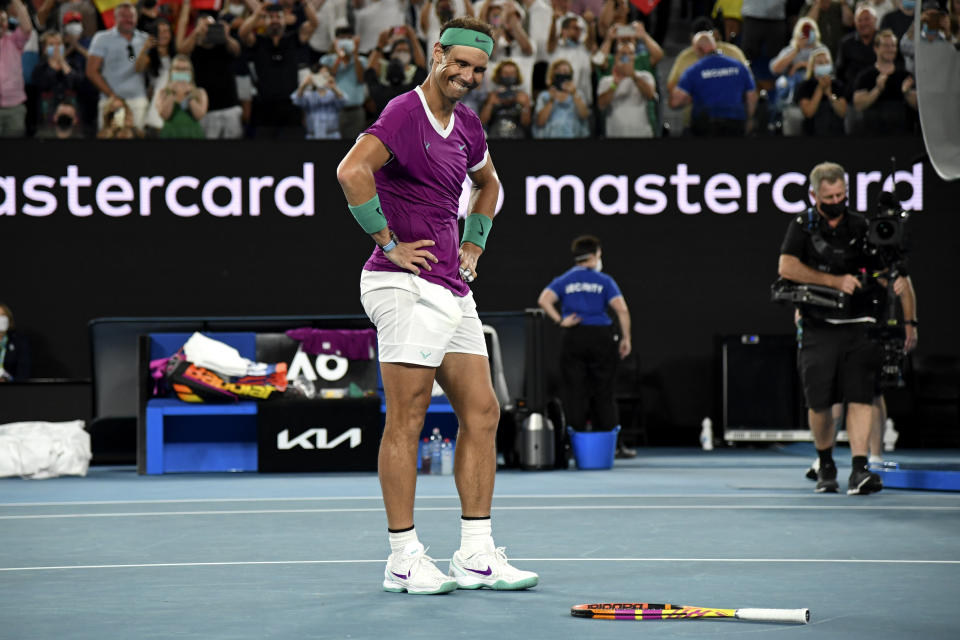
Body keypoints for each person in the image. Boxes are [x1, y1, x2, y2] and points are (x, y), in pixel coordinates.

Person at [336, 16, 538, 595]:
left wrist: (474, 240)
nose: (468, 76)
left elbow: (489, 184)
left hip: (452, 286)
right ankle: (402, 557)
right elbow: (353, 172)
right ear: (437, 54)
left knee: (482, 412)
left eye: (478, 69)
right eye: (461, 64)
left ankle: (475, 554)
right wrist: (388, 244)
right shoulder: (403, 112)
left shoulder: (469, 124)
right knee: (409, 417)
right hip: (402, 285)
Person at [777, 161, 916, 495]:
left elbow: (892, 273)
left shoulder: (862, 226)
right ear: (814, 195)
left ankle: (860, 468)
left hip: (860, 324)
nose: (836, 201)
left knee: (861, 396)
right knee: (820, 403)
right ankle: (825, 463)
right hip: (819, 325)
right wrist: (835, 281)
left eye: (841, 194)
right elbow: (787, 266)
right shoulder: (802, 226)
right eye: (829, 196)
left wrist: (887, 281)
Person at [536, 235, 635, 458]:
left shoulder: (564, 280)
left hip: (573, 337)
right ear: (593, 256)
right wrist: (626, 338)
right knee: (604, 392)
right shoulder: (604, 281)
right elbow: (622, 310)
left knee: (575, 392)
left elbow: (544, 299)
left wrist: (560, 321)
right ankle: (610, 447)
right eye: (599, 255)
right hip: (601, 337)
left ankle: (574, 447)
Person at [238, 0, 319, 139]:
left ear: (285, 20)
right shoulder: (258, 42)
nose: (275, 20)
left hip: (291, 106)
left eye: (279, 17)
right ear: (264, 21)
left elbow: (314, 24)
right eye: (271, 17)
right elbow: (243, 33)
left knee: (294, 151)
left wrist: (305, 4)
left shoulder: (294, 38)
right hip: (264, 106)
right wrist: (257, 13)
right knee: (263, 153)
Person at [669, 30, 757, 136]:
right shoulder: (739, 66)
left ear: (698, 49)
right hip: (735, 124)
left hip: (705, 126)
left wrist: (690, 98)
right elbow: (752, 96)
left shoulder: (694, 71)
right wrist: (749, 120)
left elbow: (675, 102)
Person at [178, 7, 244, 139]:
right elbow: (182, 53)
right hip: (205, 110)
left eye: (210, 25)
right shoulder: (194, 47)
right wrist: (196, 33)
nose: (207, 29)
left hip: (229, 107)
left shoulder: (223, 44)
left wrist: (225, 36)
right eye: (204, 26)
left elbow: (237, 50)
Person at [86, 2, 150, 131]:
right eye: (124, 16)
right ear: (115, 18)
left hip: (138, 102)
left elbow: (151, 71)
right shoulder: (101, 38)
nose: (129, 19)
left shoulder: (145, 39)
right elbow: (91, 71)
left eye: (132, 16)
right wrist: (112, 96)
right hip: (111, 102)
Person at [852, 28, 917, 134]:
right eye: (886, 46)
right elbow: (858, 105)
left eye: (893, 46)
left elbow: (918, 107)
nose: (890, 49)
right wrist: (877, 89)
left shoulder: (905, 76)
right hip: (873, 135)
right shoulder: (865, 76)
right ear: (876, 48)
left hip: (903, 135)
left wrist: (907, 92)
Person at [596, 33, 657, 137]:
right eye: (623, 54)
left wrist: (633, 75)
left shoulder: (645, 76)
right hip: (615, 134)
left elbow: (650, 95)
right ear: (616, 57)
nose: (627, 57)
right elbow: (601, 104)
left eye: (631, 53)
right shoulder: (606, 81)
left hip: (642, 134)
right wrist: (615, 84)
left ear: (635, 56)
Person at [320, 27, 368, 140]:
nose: (346, 41)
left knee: (354, 146)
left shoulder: (362, 61)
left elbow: (361, 78)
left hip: (356, 111)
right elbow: (329, 78)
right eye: (342, 38)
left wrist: (355, 54)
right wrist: (340, 56)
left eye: (349, 38)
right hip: (334, 110)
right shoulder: (328, 60)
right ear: (336, 41)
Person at [794, 45, 847, 135]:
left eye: (826, 62)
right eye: (820, 63)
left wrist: (830, 94)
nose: (824, 65)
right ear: (812, 66)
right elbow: (808, 113)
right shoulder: (804, 86)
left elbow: (842, 112)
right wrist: (820, 89)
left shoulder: (837, 85)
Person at [533, 58, 590, 137]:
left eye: (565, 72)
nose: (562, 75)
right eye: (559, 72)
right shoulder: (544, 95)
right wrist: (551, 101)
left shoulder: (578, 94)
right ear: (553, 75)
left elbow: (584, 116)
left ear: (570, 75)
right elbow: (540, 122)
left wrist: (574, 94)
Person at [0, 0, 33, 137]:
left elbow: (26, 28)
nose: (0, 24)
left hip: (14, 107)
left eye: (3, 20)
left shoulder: (14, 41)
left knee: (14, 154)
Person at [156, 54, 208, 138]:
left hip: (193, 134)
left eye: (184, 69)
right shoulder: (162, 92)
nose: (181, 72)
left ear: (191, 72)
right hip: (171, 134)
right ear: (171, 71)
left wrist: (188, 95)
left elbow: (199, 116)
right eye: (177, 68)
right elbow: (165, 115)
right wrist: (173, 93)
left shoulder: (200, 92)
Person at [478, 59, 532, 138]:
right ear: (499, 75)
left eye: (512, 73)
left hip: (518, 139)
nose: (509, 76)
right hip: (495, 138)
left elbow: (526, 123)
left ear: (517, 76)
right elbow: (483, 121)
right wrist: (490, 104)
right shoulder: (492, 95)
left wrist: (525, 106)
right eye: (506, 73)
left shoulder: (523, 96)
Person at [291, 63, 346, 138]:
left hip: (332, 135)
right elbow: (297, 100)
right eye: (320, 74)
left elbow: (343, 101)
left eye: (325, 74)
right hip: (312, 135)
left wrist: (334, 87)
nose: (323, 77)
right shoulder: (308, 93)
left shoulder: (333, 93)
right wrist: (304, 84)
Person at [0, 303, 30, 382]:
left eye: (3, 315)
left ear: (9, 320)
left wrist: (8, 380)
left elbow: (24, 373)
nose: (0, 319)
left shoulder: (19, 342)